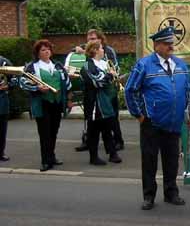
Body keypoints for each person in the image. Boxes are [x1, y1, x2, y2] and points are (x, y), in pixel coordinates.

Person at [125, 27, 190, 211]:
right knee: (149, 160)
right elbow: (130, 90)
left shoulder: (180, 65)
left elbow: (189, 91)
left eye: (171, 43)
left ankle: (171, 192)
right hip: (151, 121)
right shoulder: (144, 65)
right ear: (156, 45)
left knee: (171, 159)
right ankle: (149, 196)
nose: (170, 47)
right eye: (166, 44)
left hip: (173, 121)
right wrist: (139, 115)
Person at [20, 40, 73, 172]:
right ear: (38, 53)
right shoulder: (33, 67)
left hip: (56, 103)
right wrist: (37, 87)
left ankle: (52, 156)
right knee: (44, 133)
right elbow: (22, 82)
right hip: (42, 103)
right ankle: (45, 160)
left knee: (53, 131)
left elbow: (66, 83)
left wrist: (68, 99)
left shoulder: (58, 66)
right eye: (43, 50)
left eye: (48, 49)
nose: (46, 51)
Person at [80, 40, 120, 166]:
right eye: (101, 48)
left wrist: (114, 77)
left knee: (108, 127)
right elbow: (96, 82)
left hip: (107, 100)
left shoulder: (104, 63)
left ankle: (112, 153)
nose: (103, 50)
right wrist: (109, 76)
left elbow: (110, 80)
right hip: (94, 102)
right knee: (94, 130)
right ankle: (93, 157)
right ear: (95, 50)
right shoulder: (87, 66)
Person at [0, 55, 15, 162]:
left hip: (1, 99)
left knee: (1, 129)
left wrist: (8, 86)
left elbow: (14, 79)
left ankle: (0, 153)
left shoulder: (4, 61)